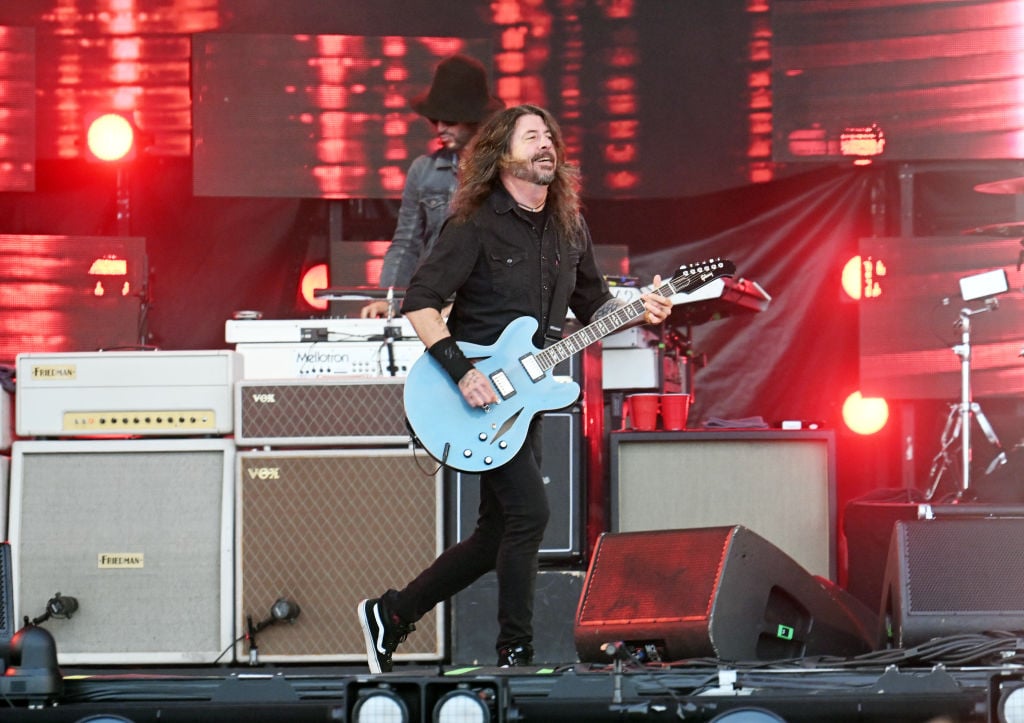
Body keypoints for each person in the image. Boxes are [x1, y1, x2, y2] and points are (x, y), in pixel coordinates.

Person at [357, 103, 673, 672]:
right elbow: (420, 303)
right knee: (530, 512)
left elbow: (596, 308)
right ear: (502, 154)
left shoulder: (569, 226)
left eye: (549, 136)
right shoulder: (475, 222)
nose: (546, 144)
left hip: (522, 402)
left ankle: (393, 613)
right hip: (473, 397)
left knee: (495, 533)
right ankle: (515, 654)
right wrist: (465, 373)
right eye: (532, 137)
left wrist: (642, 309)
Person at [360, 54, 503, 319]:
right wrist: (388, 297)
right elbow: (406, 243)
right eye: (435, 119)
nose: (439, 128)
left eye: (449, 120)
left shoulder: (503, 173)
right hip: (431, 301)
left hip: (486, 306)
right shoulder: (423, 170)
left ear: (472, 120)